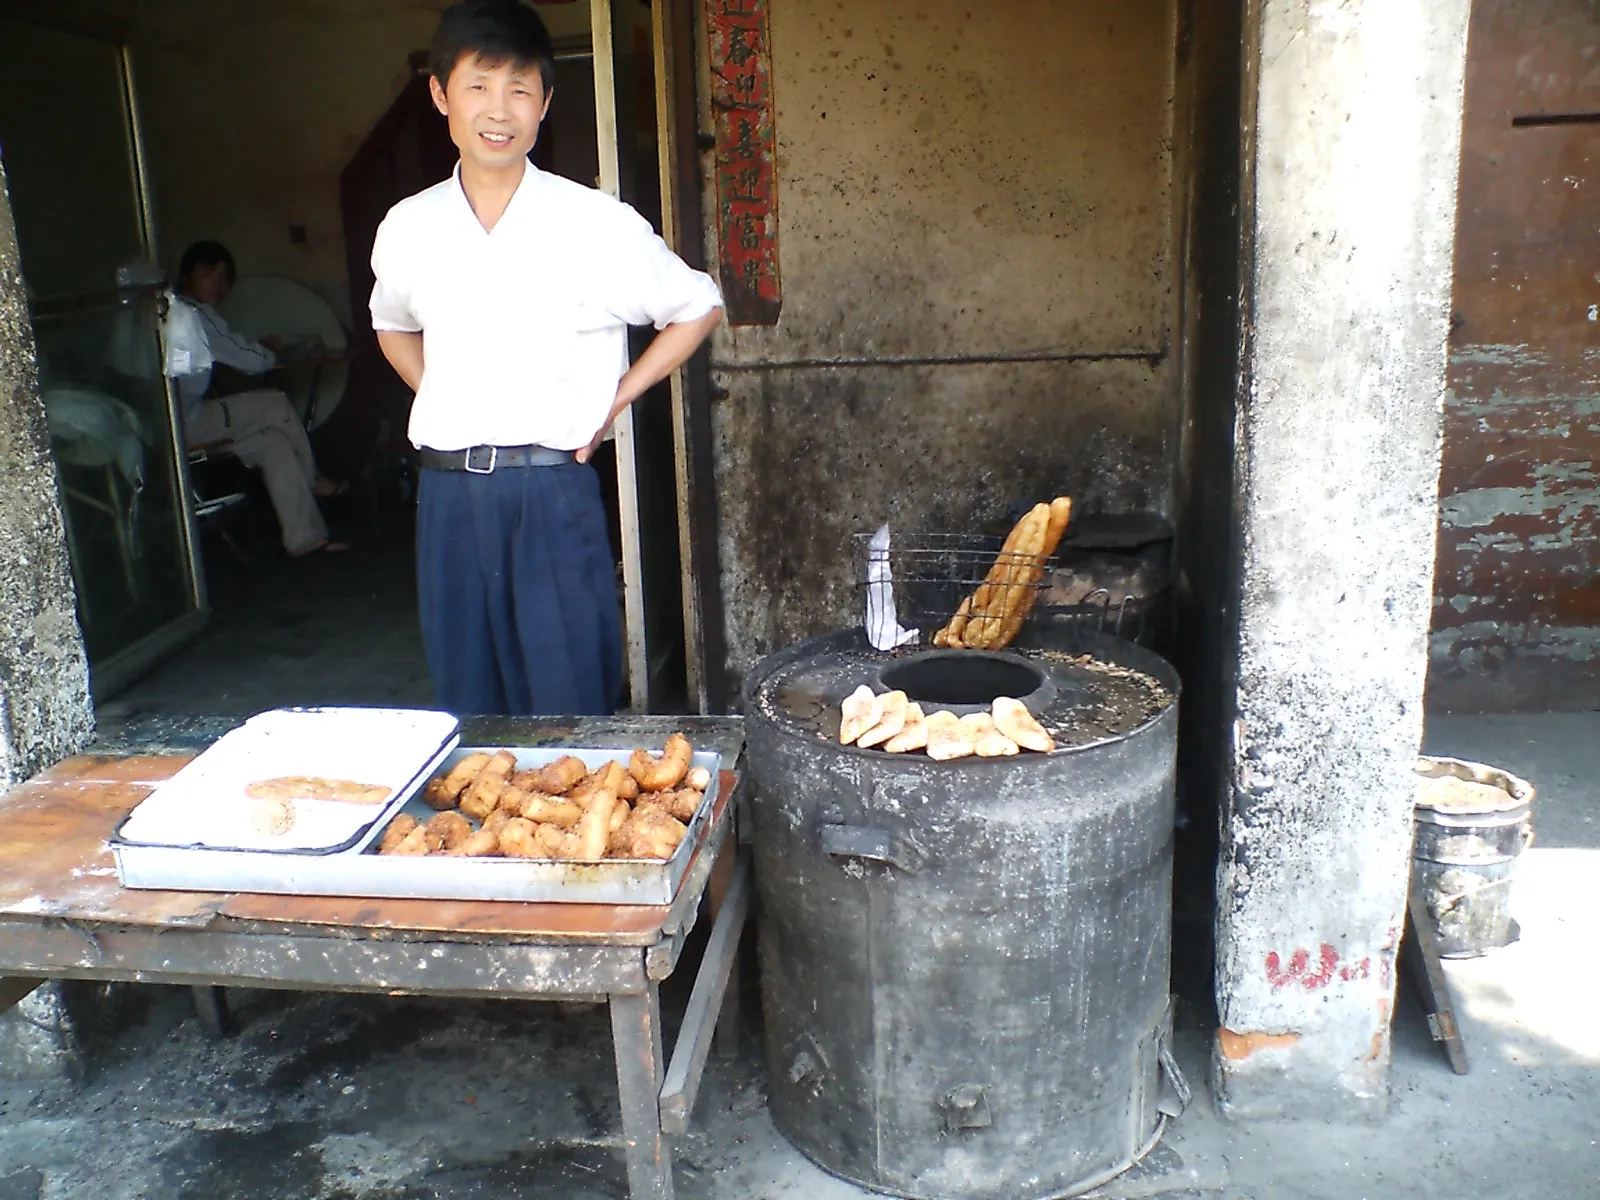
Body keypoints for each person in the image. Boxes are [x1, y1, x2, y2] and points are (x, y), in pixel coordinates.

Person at [369, 0, 723, 717]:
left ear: (545, 103)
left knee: (568, 701)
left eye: (520, 89)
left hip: (550, 491)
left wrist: (614, 402)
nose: (498, 110)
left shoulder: (595, 223)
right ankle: (478, 834)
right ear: (441, 95)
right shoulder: (409, 227)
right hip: (448, 498)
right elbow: (391, 324)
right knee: (468, 707)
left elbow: (697, 305)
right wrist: (439, 390)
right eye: (478, 86)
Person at [173, 241, 348, 557]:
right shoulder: (192, 314)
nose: (223, 288)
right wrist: (272, 350)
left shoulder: (150, 314)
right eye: (218, 277)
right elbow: (253, 361)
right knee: (275, 402)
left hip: (160, 430)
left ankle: (305, 540)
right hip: (186, 424)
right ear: (199, 272)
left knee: (274, 445)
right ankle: (314, 478)